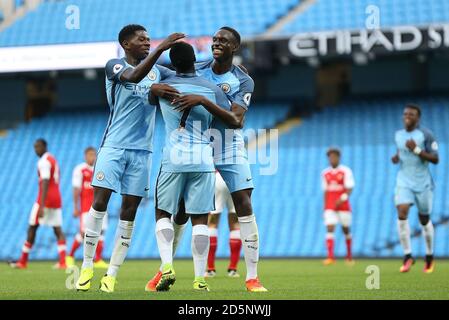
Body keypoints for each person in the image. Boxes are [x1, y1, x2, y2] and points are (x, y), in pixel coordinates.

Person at [147, 27, 267, 292]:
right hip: (198, 145)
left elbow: (236, 120)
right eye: (214, 39)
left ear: (234, 47)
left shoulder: (242, 80)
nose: (217, 43)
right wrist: (154, 86)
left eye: (223, 41)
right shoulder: (198, 68)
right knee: (179, 210)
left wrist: (202, 99)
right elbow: (158, 77)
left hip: (228, 146)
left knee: (244, 202)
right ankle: (164, 269)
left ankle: (252, 277)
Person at [75, 24, 184, 293]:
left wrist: (218, 69)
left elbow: (187, 73)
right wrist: (161, 49)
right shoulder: (114, 65)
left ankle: (111, 274)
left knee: (129, 213)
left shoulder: (159, 72)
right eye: (142, 39)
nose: (147, 42)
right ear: (126, 44)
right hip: (113, 146)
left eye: (149, 39)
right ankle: (87, 264)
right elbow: (134, 77)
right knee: (99, 203)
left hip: (142, 152)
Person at [392, 104, 438, 273]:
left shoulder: (426, 135)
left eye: (411, 114)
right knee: (402, 211)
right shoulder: (398, 135)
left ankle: (429, 256)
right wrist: (397, 157)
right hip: (404, 180)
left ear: (418, 118)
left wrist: (417, 150)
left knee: (424, 220)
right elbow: (401, 152)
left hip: (423, 183)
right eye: (405, 114)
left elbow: (435, 159)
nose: (407, 116)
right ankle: (407, 256)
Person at [9, 139, 66, 269]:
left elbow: (45, 181)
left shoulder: (44, 161)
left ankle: (23, 261)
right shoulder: (52, 159)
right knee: (57, 229)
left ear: (45, 146)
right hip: (56, 198)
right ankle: (63, 262)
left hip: (44, 199)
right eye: (34, 147)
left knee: (32, 227)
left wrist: (41, 205)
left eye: (38, 146)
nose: (36, 149)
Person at [66, 147, 108, 268]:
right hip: (86, 208)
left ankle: (98, 259)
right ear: (85, 156)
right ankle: (70, 256)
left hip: (101, 207)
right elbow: (76, 189)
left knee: (102, 231)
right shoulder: (80, 169)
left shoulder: (99, 169)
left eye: (94, 155)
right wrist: (75, 207)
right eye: (90, 155)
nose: (92, 157)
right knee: (84, 232)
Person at [321, 148, 355, 266]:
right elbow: (325, 191)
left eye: (334, 156)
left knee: (346, 229)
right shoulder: (325, 173)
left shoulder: (346, 171)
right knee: (330, 228)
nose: (332, 159)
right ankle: (330, 257)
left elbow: (349, 188)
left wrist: (343, 198)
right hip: (330, 206)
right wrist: (325, 206)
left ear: (338, 158)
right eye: (330, 157)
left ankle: (349, 256)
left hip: (343, 205)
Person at [206, 170, 241, 278]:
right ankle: (233, 269)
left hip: (218, 177)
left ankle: (210, 269)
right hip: (236, 178)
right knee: (235, 223)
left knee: (212, 222)